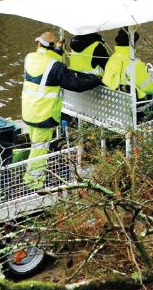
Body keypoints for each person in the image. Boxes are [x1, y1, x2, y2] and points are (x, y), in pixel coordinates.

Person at [21, 31, 101, 188]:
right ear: (53, 47)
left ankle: (31, 178)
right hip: (43, 114)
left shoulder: (30, 58)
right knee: (39, 150)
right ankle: (34, 184)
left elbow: (48, 66)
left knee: (35, 145)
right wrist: (95, 80)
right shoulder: (55, 66)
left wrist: (57, 51)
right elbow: (76, 85)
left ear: (39, 44)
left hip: (28, 110)